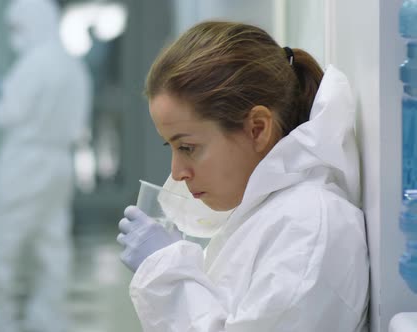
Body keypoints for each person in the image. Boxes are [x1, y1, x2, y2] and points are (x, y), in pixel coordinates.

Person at [116, 21, 369, 331]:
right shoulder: (266, 215)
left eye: (187, 147)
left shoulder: (311, 229)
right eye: (172, 147)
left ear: (257, 129)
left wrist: (165, 276)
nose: (177, 172)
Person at [0, 0, 92, 331]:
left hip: (25, 161)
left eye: (18, 27)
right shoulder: (72, 65)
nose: (16, 35)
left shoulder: (34, 64)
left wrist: (0, 94)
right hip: (58, 162)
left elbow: (7, 115)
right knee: (50, 245)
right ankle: (47, 320)